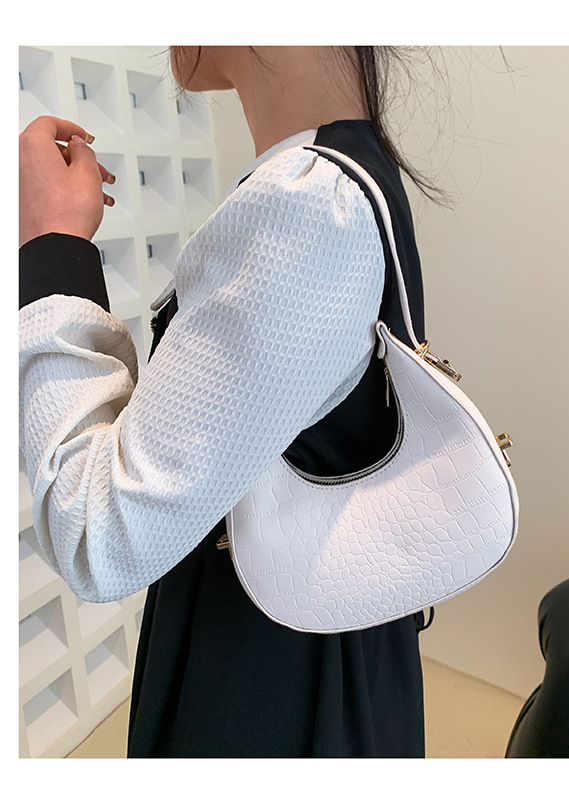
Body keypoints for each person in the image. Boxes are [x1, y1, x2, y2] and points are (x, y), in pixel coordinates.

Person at [19, 46, 434, 758]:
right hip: (315, 622)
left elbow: (95, 535)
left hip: (268, 675)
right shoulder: (348, 171)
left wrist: (50, 247)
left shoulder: (309, 206)